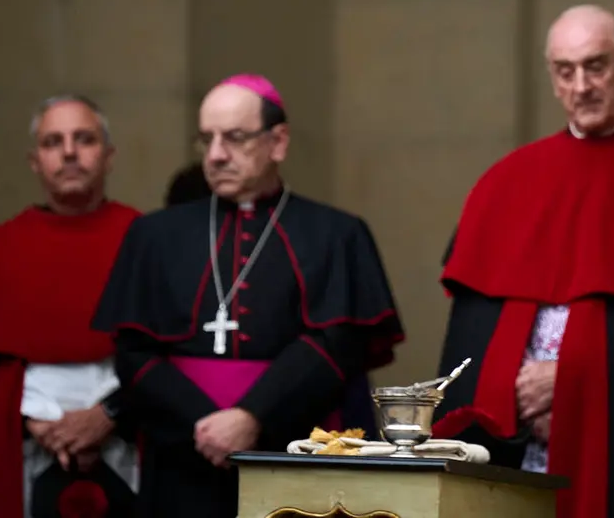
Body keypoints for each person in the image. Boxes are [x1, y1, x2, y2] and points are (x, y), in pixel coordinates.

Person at [91, 74, 405, 518]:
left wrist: (252, 416)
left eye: (235, 138)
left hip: (292, 453)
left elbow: (337, 343)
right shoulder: (154, 236)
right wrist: (206, 426)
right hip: (182, 455)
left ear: (278, 142)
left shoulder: (335, 235)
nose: (216, 155)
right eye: (207, 139)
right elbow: (132, 353)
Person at [431, 5, 614, 518]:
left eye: (596, 66)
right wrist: (513, 393)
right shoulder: (506, 182)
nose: (581, 85)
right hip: (519, 433)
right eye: (565, 70)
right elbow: (471, 341)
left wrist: (576, 382)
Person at [0, 95, 141, 517]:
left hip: (131, 446)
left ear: (108, 155)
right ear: (35, 161)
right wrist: (30, 420)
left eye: (84, 139)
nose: (69, 152)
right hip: (23, 455)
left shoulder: (151, 244)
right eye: (53, 142)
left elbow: (179, 357)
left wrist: (109, 416)